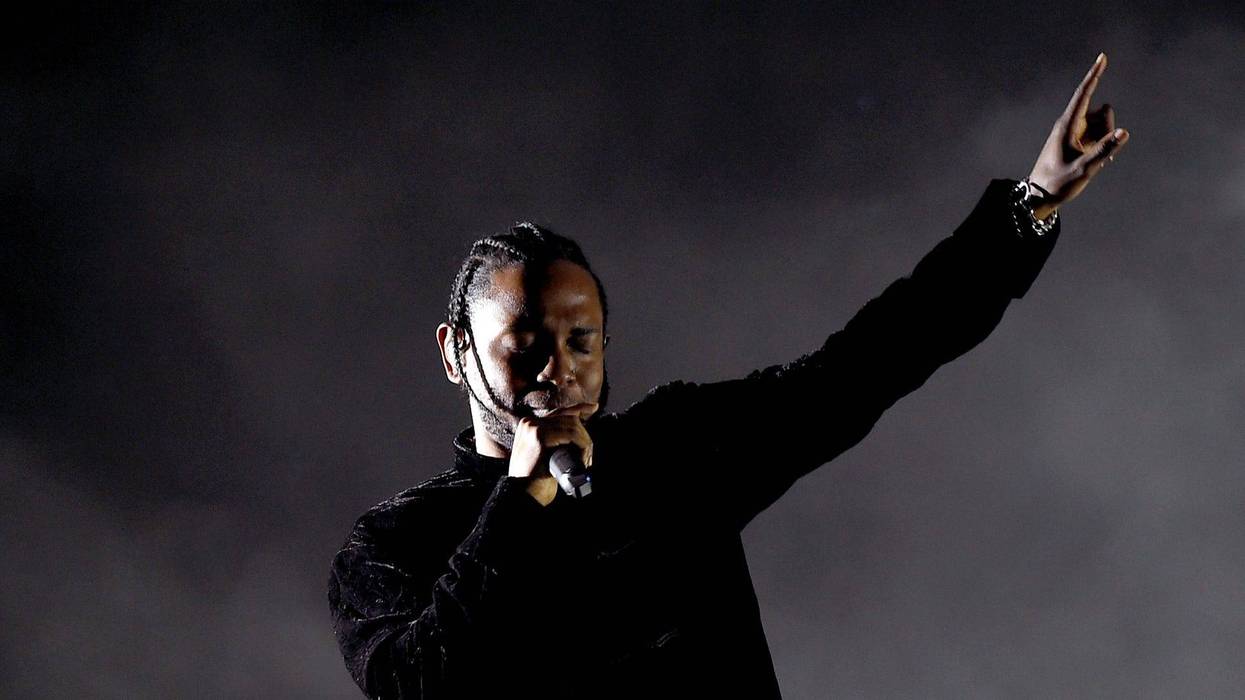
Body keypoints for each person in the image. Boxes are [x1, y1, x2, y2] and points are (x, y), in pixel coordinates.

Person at [328, 54, 1129, 699]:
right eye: (526, 343)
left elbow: (868, 363)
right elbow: (419, 688)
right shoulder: (395, 543)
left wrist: (1028, 206)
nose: (557, 370)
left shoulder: (674, 453)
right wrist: (522, 499)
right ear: (454, 351)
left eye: (582, 340)